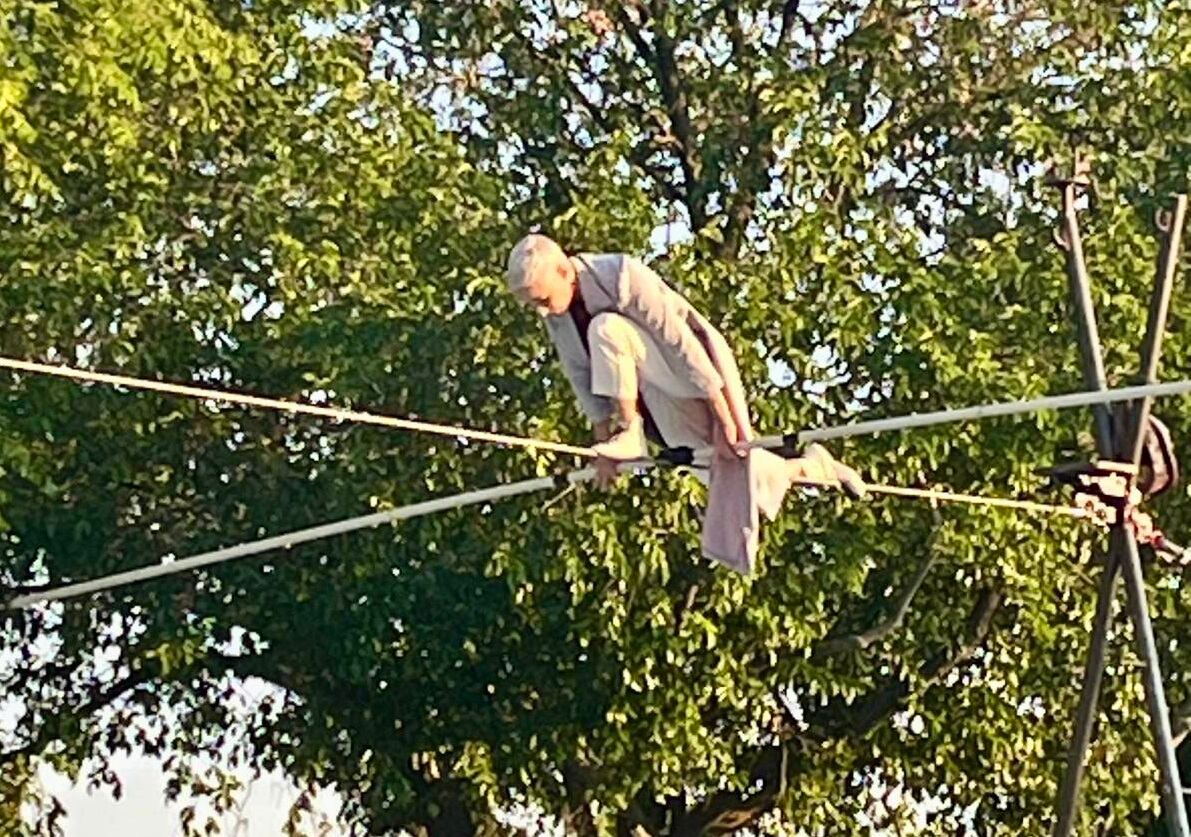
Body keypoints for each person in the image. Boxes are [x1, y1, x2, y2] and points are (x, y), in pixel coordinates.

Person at [505, 234, 864, 570]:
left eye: (542, 299)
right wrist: (603, 448)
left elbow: (681, 343)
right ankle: (813, 468)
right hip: (651, 388)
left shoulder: (621, 275)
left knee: (604, 328)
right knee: (725, 475)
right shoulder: (557, 313)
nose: (542, 311)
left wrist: (723, 414)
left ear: (565, 271)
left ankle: (633, 430)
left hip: (689, 372)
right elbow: (579, 372)